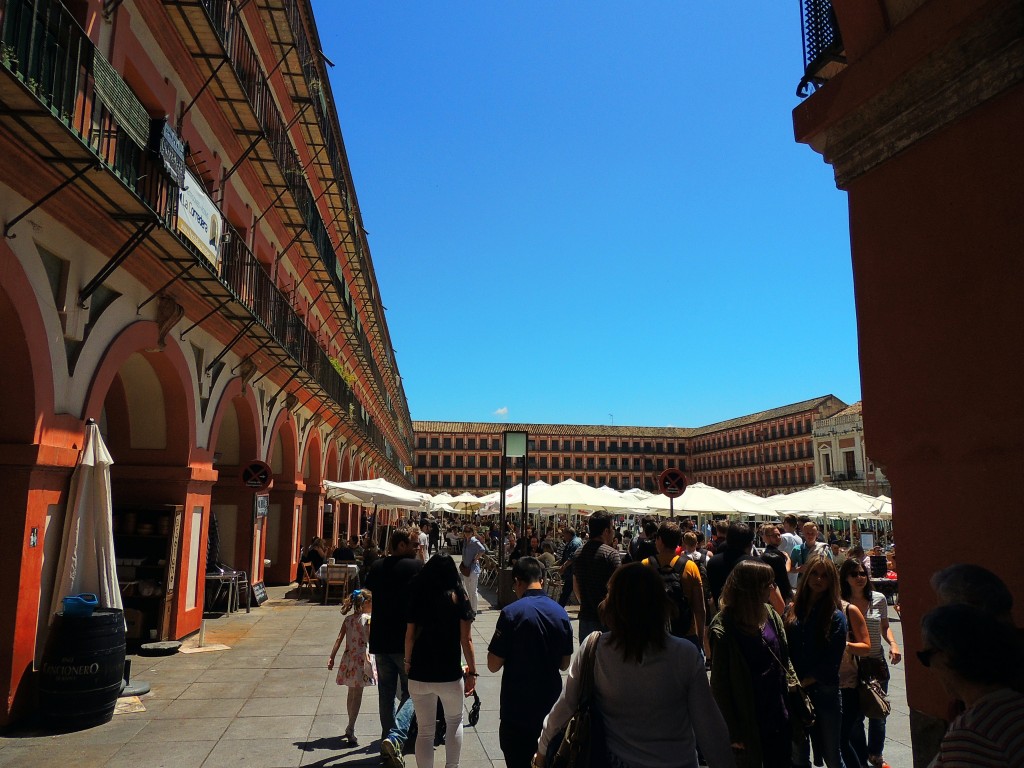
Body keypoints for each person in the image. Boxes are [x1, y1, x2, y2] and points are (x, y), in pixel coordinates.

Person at [534, 563, 736, 768]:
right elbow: (710, 729)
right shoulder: (685, 655)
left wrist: (541, 751)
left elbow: (565, 705)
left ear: (613, 605)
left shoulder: (596, 649)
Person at [709, 560, 796, 768]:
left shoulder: (770, 614)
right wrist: (732, 731)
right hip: (747, 714)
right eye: (768, 584)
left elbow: (785, 658)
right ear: (751, 588)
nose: (772, 588)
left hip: (778, 710)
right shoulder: (723, 627)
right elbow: (720, 685)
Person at [487, 557, 573, 768]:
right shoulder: (561, 613)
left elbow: (493, 664)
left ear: (518, 581)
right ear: (542, 580)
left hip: (517, 710)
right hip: (550, 710)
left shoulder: (511, 613)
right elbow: (564, 664)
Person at [785, 553, 865, 768]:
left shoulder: (836, 616)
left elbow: (832, 660)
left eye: (824, 575)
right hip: (796, 693)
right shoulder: (792, 611)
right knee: (798, 753)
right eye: (814, 574)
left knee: (832, 755)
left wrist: (804, 682)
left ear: (831, 581)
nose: (818, 579)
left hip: (825, 692)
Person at [919, 603, 1024, 766]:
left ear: (947, 656)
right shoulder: (1015, 704)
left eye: (926, 657)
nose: (931, 669)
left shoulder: (972, 735)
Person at [404, 554, 477, 768]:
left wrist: (408, 662)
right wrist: (472, 672)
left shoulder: (418, 595)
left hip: (419, 671)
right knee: (454, 721)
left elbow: (409, 636)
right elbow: (466, 639)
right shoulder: (459, 596)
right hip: (449, 672)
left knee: (425, 731)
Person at [364, 527, 423, 766]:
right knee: (414, 691)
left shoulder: (377, 567)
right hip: (405, 640)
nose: (416, 547)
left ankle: (386, 740)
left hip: (380, 639)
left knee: (386, 693)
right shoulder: (416, 567)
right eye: (412, 544)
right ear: (401, 545)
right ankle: (395, 737)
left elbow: (367, 591)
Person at [839, 558, 901, 768]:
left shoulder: (878, 599)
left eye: (862, 573)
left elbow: (885, 627)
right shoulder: (841, 602)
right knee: (855, 717)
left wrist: (893, 644)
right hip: (853, 665)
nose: (859, 578)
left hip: (876, 662)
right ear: (845, 578)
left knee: (878, 712)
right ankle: (860, 754)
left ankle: (875, 754)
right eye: (854, 574)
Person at [642, 521, 706, 652]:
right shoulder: (690, 566)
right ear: (679, 541)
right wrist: (700, 640)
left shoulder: (646, 565)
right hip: (686, 635)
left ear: (659, 540)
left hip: (654, 635)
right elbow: (700, 608)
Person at [328, 588, 377, 746]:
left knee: (351, 693)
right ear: (366, 603)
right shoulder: (368, 619)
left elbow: (339, 638)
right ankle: (351, 726)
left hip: (349, 659)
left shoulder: (348, 620)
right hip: (362, 660)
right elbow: (372, 639)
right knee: (358, 694)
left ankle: (350, 724)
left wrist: (332, 657)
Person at [572, 511, 623, 642]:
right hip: (607, 619)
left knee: (588, 653)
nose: (613, 532)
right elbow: (619, 587)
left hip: (585, 617)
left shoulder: (578, 553)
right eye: (612, 528)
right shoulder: (611, 554)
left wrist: (585, 602)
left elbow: (575, 585)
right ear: (606, 531)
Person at [760, 523, 794, 606]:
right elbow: (785, 571)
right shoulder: (774, 555)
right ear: (767, 537)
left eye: (779, 535)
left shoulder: (766, 553)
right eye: (775, 536)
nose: (778, 537)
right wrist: (788, 559)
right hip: (778, 592)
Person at [460, 524, 486, 615]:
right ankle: (470, 607)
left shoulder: (474, 541)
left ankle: (474, 610)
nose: (467, 533)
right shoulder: (465, 541)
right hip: (465, 568)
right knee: (467, 589)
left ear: (472, 532)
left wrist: (476, 559)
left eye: (469, 531)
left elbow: (482, 549)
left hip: (473, 569)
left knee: (473, 590)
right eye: (465, 531)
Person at [556, 527, 582, 607]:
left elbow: (572, 558)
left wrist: (563, 566)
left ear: (568, 534)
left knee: (566, 593)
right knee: (567, 592)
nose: (564, 537)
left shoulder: (574, 543)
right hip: (572, 572)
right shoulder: (574, 541)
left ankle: (559, 608)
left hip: (573, 572)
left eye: (564, 535)